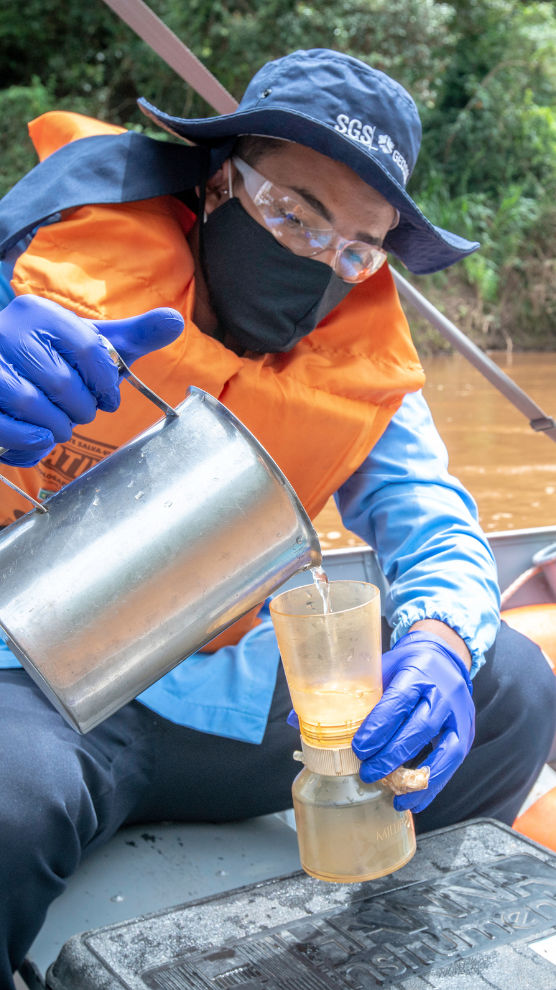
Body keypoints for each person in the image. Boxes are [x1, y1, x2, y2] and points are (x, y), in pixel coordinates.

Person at [0, 48, 554, 985]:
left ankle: (386, 944)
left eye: (354, 245)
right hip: (38, 693)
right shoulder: (47, 268)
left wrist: (442, 644)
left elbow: (436, 523)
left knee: (513, 688)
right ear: (220, 183)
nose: (315, 258)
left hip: (227, 700)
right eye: (293, 210)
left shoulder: (356, 355)